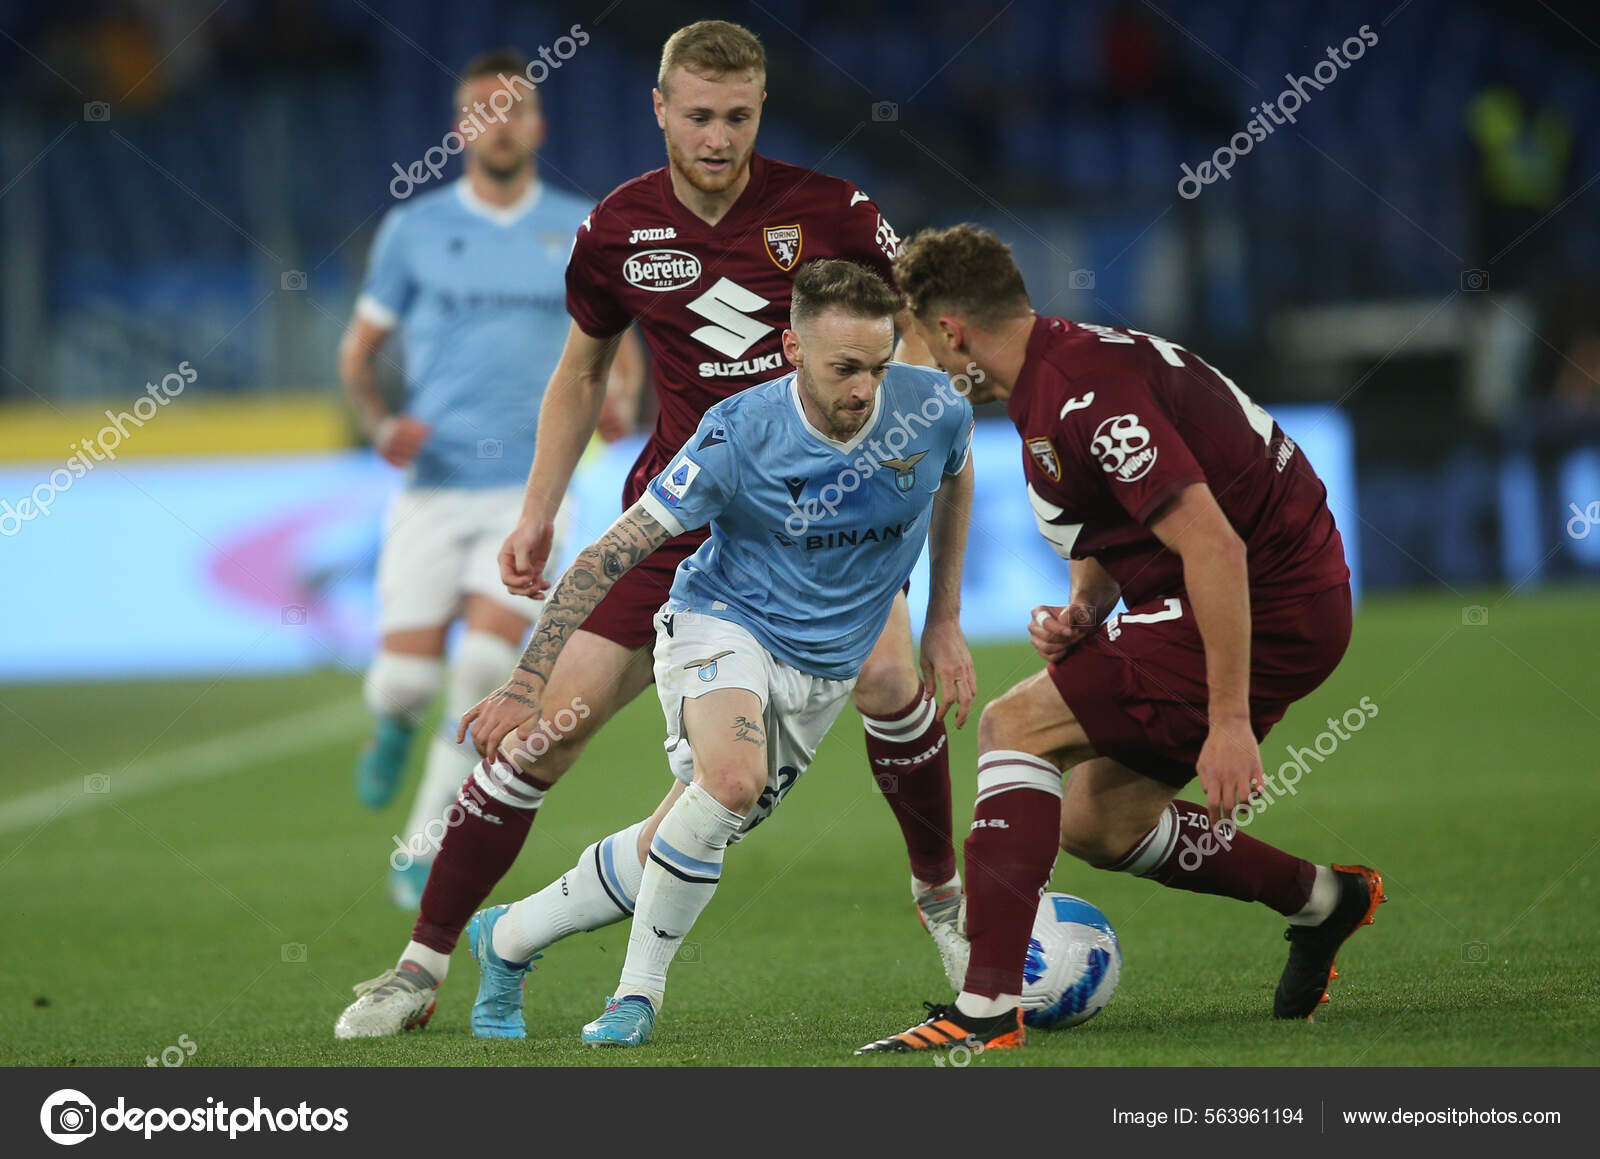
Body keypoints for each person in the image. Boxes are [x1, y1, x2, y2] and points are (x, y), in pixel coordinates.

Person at [336, 21, 972, 1039]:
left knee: (894, 683)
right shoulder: (617, 229)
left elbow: (921, 353)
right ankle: (419, 968)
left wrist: (917, 537)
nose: (717, 138)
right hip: (686, 516)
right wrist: (538, 510)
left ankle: (945, 905)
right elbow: (583, 370)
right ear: (661, 109)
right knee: (542, 736)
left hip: (820, 520)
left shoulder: (835, 212)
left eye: (738, 117)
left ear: (758, 111)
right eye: (699, 116)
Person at [857, 224, 1384, 1055]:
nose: (912, 368)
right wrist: (1085, 608)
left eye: (912, 344)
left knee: (1012, 726)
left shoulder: (1082, 393)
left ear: (951, 331)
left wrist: (1229, 717)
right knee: (1100, 819)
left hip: (1268, 597)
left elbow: (1214, 544)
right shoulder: (1054, 373)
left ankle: (987, 1004)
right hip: (1231, 588)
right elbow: (1122, 525)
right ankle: (1324, 900)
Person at [463, 259, 975, 1045]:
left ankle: (506, 938)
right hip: (721, 623)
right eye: (845, 368)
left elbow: (955, 477)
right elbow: (609, 552)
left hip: (823, 671)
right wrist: (528, 680)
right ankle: (636, 997)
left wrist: (943, 619)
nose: (866, 389)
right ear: (791, 349)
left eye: (878, 365)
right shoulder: (737, 435)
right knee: (732, 783)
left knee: (672, 843)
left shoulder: (933, 409)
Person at [338, 48, 643, 908]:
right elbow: (359, 352)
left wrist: (622, 393)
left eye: (515, 109)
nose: (500, 123)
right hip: (433, 485)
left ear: (539, 126)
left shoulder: (585, 227)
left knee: (480, 671)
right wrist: (379, 422)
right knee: (405, 680)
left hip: (530, 486)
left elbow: (620, 336)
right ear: (460, 126)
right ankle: (394, 720)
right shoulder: (416, 230)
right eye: (483, 109)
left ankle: (422, 843)